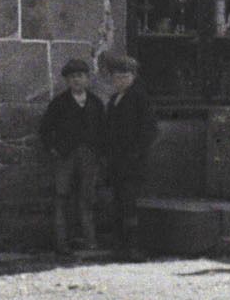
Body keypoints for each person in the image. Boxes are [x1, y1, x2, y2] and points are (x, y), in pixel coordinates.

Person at [38, 57, 106, 256]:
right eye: (72, 77)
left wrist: (99, 152)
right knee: (61, 197)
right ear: (67, 81)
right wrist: (53, 149)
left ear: (87, 79)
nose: (77, 80)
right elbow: (45, 129)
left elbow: (103, 130)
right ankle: (61, 242)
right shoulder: (59, 103)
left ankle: (90, 241)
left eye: (81, 76)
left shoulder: (95, 103)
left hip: (88, 155)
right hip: (65, 156)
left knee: (87, 198)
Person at [101, 53, 159, 257]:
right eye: (117, 76)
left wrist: (136, 153)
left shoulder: (139, 98)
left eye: (125, 76)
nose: (121, 80)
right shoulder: (115, 99)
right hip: (117, 160)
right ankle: (120, 245)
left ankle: (133, 246)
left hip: (133, 161)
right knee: (118, 201)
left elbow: (150, 130)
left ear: (133, 76)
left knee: (129, 202)